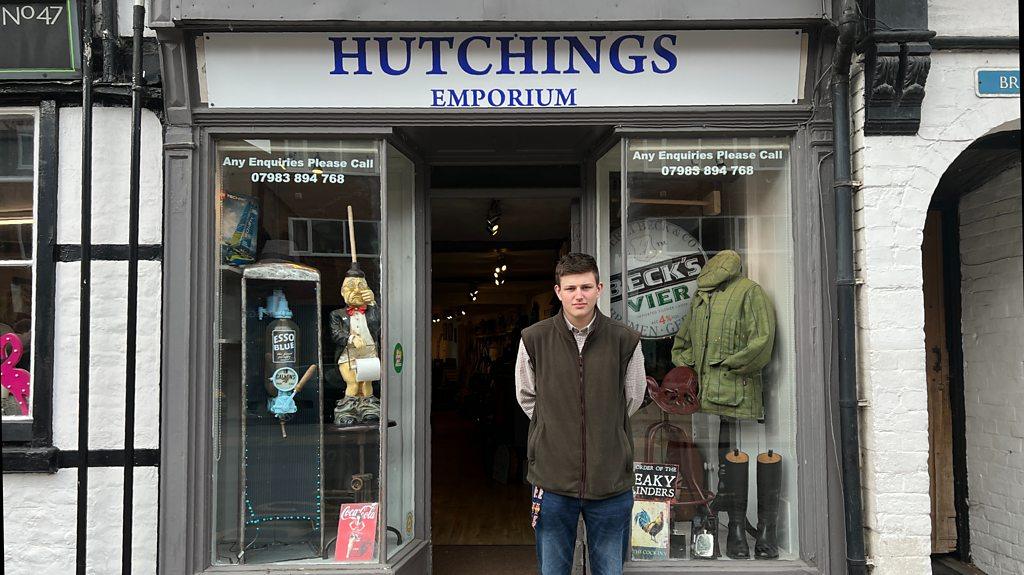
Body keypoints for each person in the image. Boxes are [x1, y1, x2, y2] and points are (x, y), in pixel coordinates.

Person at [515, 252, 646, 575]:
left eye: (586, 287)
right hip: (553, 479)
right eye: (571, 288)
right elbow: (527, 396)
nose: (579, 295)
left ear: (599, 288)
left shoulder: (624, 340)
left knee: (609, 569)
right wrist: (554, 426)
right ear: (558, 291)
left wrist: (605, 426)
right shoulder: (534, 339)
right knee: (554, 569)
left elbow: (633, 397)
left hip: (611, 479)